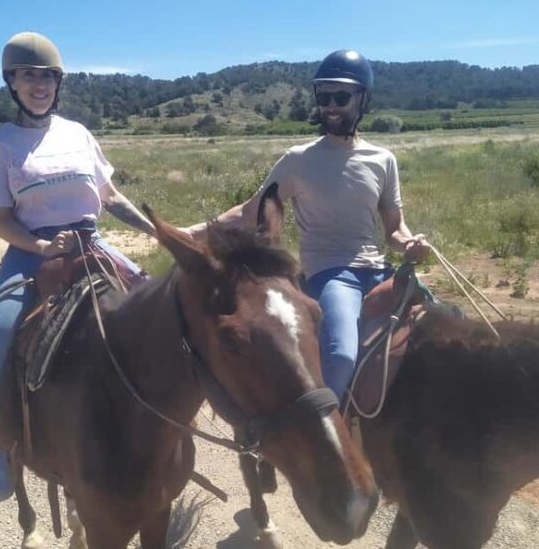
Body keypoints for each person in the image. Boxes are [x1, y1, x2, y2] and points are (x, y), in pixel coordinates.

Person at [183, 49, 429, 405]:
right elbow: (250, 212)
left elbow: (394, 228)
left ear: (362, 99)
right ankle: (331, 437)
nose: (330, 106)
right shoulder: (299, 160)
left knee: (447, 322)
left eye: (340, 97)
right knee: (342, 354)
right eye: (323, 96)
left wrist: (408, 244)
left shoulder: (383, 160)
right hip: (331, 275)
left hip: (379, 270)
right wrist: (193, 234)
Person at [0, 31, 155, 503]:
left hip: (91, 242)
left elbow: (110, 197)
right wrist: (38, 245)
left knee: (159, 305)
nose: (40, 85)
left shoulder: (79, 134)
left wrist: (158, 232)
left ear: (59, 83)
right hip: (31, 251)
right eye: (29, 76)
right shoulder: (0, 145)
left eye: (48, 77)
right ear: (11, 82)